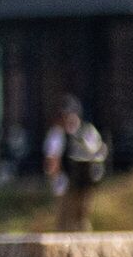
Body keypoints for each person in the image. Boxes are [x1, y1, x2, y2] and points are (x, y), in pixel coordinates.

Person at [43, 99, 108, 231]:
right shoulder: (80, 131)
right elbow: (52, 159)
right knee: (74, 220)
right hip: (75, 182)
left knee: (73, 220)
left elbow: (52, 161)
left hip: (76, 182)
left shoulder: (76, 132)